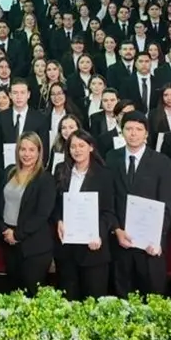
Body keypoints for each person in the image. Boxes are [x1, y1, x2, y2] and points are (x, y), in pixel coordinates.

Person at [107, 110, 171, 297]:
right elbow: (108, 199)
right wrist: (116, 230)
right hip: (121, 241)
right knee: (122, 298)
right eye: (128, 129)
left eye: (138, 129)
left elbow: (166, 203)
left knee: (152, 297)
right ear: (122, 131)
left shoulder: (161, 161)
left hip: (149, 244)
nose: (133, 133)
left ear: (146, 134)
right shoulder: (111, 157)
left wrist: (158, 239)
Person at [53, 128, 114, 299]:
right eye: (73, 146)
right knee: (68, 301)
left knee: (93, 301)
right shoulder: (60, 170)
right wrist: (58, 220)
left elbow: (108, 211)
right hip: (66, 249)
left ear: (91, 147)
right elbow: (55, 204)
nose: (77, 150)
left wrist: (98, 234)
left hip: (93, 250)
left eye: (81, 145)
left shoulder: (104, 175)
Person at [0, 131, 57, 295]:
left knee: (30, 295)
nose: (27, 154)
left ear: (39, 152)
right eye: (23, 149)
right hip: (9, 244)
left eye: (32, 150)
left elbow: (42, 214)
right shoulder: (9, 172)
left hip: (34, 247)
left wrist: (17, 234)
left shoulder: (45, 179)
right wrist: (5, 230)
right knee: (13, 294)